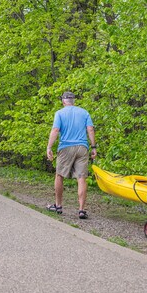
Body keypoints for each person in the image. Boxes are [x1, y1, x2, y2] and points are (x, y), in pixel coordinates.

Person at [46, 91, 97, 219]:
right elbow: (90, 129)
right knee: (81, 178)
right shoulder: (84, 112)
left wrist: (49, 147)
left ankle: (58, 205)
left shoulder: (59, 113)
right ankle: (81, 210)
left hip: (66, 147)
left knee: (59, 175)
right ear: (73, 101)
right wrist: (94, 147)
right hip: (82, 148)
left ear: (63, 101)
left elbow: (56, 130)